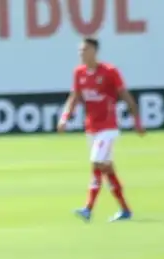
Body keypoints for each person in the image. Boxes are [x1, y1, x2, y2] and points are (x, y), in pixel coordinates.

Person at [56, 37, 144, 222]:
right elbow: (74, 97)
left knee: (96, 162)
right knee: (106, 168)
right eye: (80, 50)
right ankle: (125, 210)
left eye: (85, 50)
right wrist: (65, 117)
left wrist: (137, 120)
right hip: (92, 127)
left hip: (108, 127)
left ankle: (88, 208)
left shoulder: (110, 71)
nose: (81, 53)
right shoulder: (79, 73)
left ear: (94, 51)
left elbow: (125, 95)